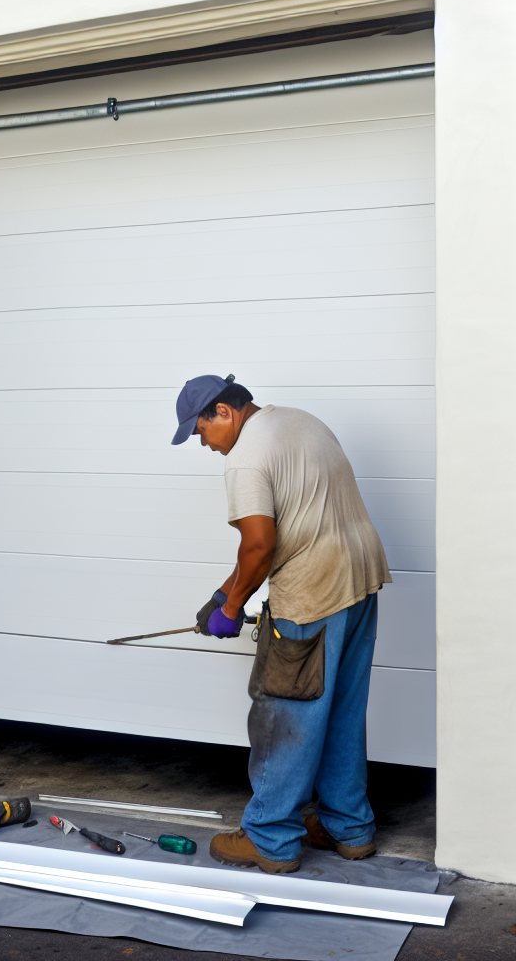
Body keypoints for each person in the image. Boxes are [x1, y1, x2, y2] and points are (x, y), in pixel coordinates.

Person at [171, 374, 391, 874]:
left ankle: (269, 837)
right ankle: (349, 827)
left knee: (285, 714)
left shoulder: (246, 457)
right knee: (340, 710)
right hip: (359, 579)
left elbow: (259, 545)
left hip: (313, 591)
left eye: (201, 431)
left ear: (224, 412)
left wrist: (232, 610)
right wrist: (224, 593)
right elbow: (293, 523)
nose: (205, 444)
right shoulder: (300, 422)